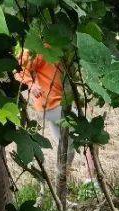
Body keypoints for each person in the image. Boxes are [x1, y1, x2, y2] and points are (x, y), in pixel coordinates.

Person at [15, 45, 96, 183]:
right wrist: (31, 84)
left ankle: (61, 185)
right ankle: (92, 179)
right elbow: (17, 67)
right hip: (53, 105)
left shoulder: (69, 49)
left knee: (66, 144)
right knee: (90, 135)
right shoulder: (43, 48)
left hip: (58, 105)